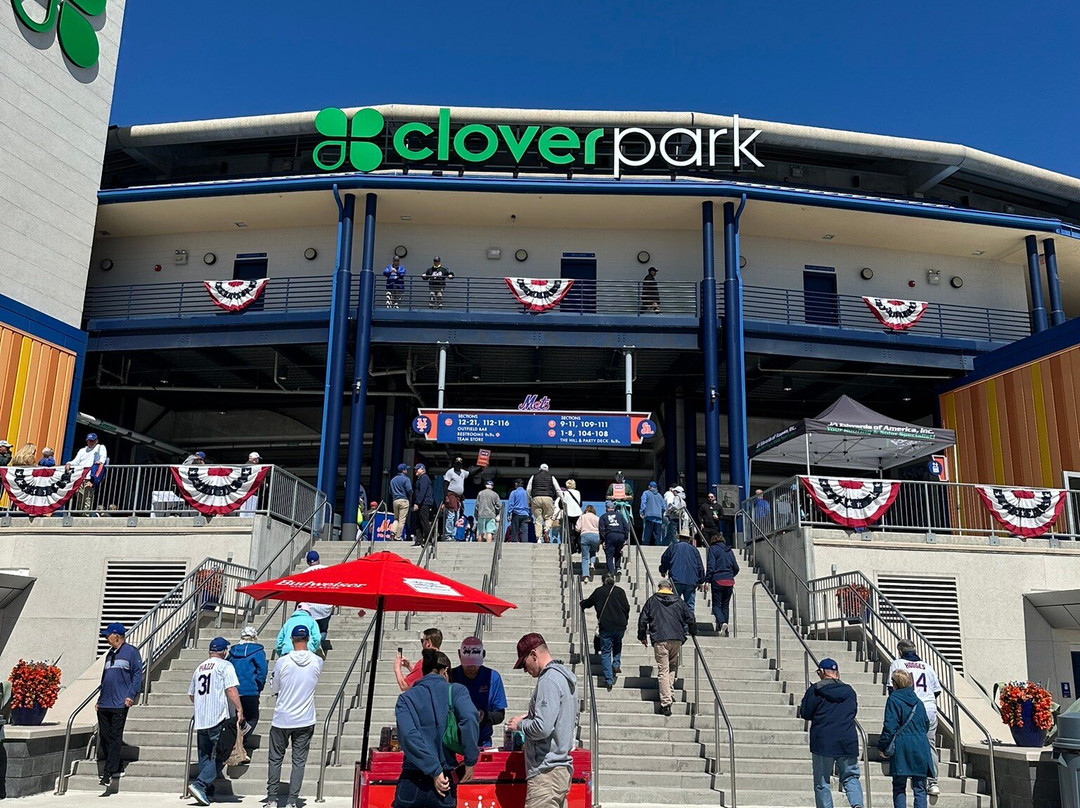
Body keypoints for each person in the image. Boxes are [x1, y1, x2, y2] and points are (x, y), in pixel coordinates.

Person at [394, 649, 479, 808]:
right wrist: (470, 759)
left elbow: (408, 736)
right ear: (445, 671)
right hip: (445, 778)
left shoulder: (405, 698)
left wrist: (433, 770)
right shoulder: (456, 691)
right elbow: (469, 718)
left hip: (412, 780)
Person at [507, 633, 579, 808]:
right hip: (560, 768)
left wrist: (520, 725)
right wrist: (530, 717)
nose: (525, 670)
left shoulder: (548, 680)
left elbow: (543, 728)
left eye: (524, 664)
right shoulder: (564, 677)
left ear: (534, 654)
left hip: (546, 773)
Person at [262, 625, 324, 808]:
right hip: (305, 718)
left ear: (291, 639)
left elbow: (275, 687)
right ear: (308, 640)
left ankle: (272, 799)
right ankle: (292, 801)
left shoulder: (283, 661)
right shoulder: (317, 661)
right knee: (299, 761)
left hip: (282, 717)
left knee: (275, 759)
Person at [798, 658, 864, 808]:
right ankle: (857, 804)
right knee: (851, 777)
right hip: (847, 739)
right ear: (836, 673)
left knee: (822, 782)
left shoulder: (815, 690)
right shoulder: (849, 691)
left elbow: (806, 713)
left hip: (823, 741)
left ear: (821, 672)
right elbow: (853, 711)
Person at [187, 637, 243, 807]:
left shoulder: (199, 668)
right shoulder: (225, 666)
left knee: (205, 755)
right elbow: (231, 689)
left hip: (202, 718)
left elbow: (191, 695)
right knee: (222, 754)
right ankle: (200, 785)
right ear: (224, 651)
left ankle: (207, 792)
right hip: (218, 717)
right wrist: (239, 709)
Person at [888, 640, 942, 796]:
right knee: (929, 745)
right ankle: (933, 782)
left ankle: (909, 775)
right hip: (929, 707)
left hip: (909, 707)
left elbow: (892, 689)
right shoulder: (927, 666)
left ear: (900, 651)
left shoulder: (898, 664)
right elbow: (936, 691)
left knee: (906, 741)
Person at [637, 579, 696, 716]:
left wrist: (642, 636)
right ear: (670, 588)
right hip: (676, 638)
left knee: (663, 670)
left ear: (659, 588)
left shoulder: (652, 601)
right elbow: (690, 617)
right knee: (672, 665)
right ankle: (668, 691)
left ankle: (665, 703)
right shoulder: (679, 601)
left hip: (660, 638)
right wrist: (693, 631)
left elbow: (642, 619)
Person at [96, 622, 144, 787]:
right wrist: (99, 699)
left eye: (107, 635)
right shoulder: (109, 654)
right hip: (104, 703)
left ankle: (108, 773)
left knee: (115, 737)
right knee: (105, 736)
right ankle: (115, 763)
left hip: (119, 703)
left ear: (116, 635)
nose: (105, 638)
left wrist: (131, 695)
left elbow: (138, 674)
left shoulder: (131, 652)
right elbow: (105, 679)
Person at [878, 669, 934, 808]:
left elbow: (890, 726)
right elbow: (926, 724)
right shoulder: (918, 702)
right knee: (920, 787)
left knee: (899, 787)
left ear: (895, 684)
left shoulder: (893, 699)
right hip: (921, 745)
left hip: (902, 746)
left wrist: (882, 746)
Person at [450, 637, 507, 748]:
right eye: (467, 665)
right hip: (455, 741)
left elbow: (500, 714)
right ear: (459, 655)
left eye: (474, 665)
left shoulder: (493, 678)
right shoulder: (452, 676)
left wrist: (484, 716)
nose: (471, 669)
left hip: (482, 742)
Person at [581, 573, 630, 690]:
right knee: (618, 643)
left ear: (603, 580)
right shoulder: (620, 591)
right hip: (620, 625)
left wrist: (582, 603)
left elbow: (588, 603)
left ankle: (609, 679)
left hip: (606, 626)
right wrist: (625, 621)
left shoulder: (599, 591)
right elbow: (627, 607)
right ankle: (616, 663)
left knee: (606, 652)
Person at [227, 626, 267, 742]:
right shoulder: (258, 652)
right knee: (252, 717)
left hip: (234, 690)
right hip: (250, 690)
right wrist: (258, 687)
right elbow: (262, 672)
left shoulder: (233, 652)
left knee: (235, 718)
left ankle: (235, 740)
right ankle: (241, 741)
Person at [660, 530, 705, 611]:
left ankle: (676, 622)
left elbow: (665, 559)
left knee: (674, 605)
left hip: (676, 579)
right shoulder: (694, 550)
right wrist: (701, 581)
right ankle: (688, 623)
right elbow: (700, 566)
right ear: (689, 539)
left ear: (679, 538)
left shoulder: (673, 547)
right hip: (691, 581)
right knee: (689, 606)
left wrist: (663, 570)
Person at [298, 550, 334, 651]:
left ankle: (310, 646)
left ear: (308, 562)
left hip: (310, 607)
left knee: (310, 629)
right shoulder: (328, 570)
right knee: (323, 629)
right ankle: (319, 645)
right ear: (318, 559)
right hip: (326, 606)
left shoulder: (304, 573)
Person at [705, 534, 740, 636]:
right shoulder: (729, 551)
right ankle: (726, 630)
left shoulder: (713, 549)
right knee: (725, 605)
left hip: (717, 580)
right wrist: (730, 575)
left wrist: (707, 580)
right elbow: (736, 567)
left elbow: (711, 566)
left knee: (716, 605)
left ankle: (721, 623)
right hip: (729, 581)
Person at [67, 432, 108, 511]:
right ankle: (81, 514)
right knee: (79, 497)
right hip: (80, 476)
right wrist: (69, 463)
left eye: (92, 440)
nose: (90, 442)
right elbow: (76, 461)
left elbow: (103, 458)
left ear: (96, 441)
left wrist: (99, 462)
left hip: (90, 477)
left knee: (87, 498)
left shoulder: (100, 447)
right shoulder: (82, 450)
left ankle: (86, 515)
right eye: (89, 440)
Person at [526, 463, 560, 542]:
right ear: (547, 470)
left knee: (538, 519)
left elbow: (528, 489)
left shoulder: (533, 476)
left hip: (536, 498)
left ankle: (539, 538)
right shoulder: (551, 477)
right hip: (548, 498)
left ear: (539, 469)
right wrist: (560, 498)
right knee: (548, 517)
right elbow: (558, 489)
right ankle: (547, 529)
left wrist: (529, 501)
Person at [598, 500, 629, 577]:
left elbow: (602, 530)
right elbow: (626, 527)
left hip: (610, 535)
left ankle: (611, 573)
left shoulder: (603, 516)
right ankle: (618, 568)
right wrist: (626, 538)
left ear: (606, 508)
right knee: (618, 552)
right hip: (620, 535)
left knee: (609, 555)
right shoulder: (620, 515)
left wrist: (604, 540)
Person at [443, 456, 467, 541]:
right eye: (457, 464)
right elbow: (445, 484)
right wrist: (446, 497)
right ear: (454, 464)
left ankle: (453, 534)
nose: (458, 466)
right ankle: (448, 535)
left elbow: (471, 473)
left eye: (460, 464)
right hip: (451, 495)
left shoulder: (463, 472)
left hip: (458, 497)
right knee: (451, 515)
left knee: (457, 516)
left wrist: (481, 468)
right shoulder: (450, 472)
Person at [412, 462, 436, 544]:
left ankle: (428, 539)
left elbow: (423, 491)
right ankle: (419, 539)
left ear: (422, 469)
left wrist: (417, 503)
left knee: (424, 521)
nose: (415, 470)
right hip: (421, 503)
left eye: (417, 469)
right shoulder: (420, 478)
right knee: (418, 521)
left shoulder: (424, 478)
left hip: (424, 503)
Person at [389, 463, 413, 542]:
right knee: (402, 520)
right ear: (403, 470)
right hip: (403, 500)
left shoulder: (393, 480)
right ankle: (398, 537)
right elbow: (409, 490)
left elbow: (390, 491)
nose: (407, 470)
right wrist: (412, 493)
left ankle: (392, 531)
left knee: (396, 518)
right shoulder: (406, 479)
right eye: (406, 469)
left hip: (395, 500)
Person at [578, 504, 601, 581]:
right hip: (595, 535)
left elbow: (578, 528)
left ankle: (586, 576)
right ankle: (592, 564)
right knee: (593, 551)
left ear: (586, 510)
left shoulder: (582, 517)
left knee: (584, 557)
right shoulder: (597, 518)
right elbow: (600, 528)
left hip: (585, 535)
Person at [640, 481, 666, 546]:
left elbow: (643, 503)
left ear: (649, 486)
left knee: (647, 534)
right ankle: (658, 547)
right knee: (658, 535)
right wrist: (661, 514)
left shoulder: (646, 493)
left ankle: (645, 547)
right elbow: (664, 507)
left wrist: (642, 512)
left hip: (649, 516)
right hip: (658, 518)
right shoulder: (660, 495)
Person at [560, 479, 583, 549]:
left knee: (569, 530)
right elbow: (580, 503)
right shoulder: (578, 492)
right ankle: (578, 543)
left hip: (569, 513)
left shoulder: (565, 493)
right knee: (578, 529)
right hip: (578, 512)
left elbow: (561, 505)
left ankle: (571, 545)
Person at [508, 478, 531, 543]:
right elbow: (530, 504)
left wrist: (509, 514)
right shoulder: (527, 493)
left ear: (516, 484)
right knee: (524, 531)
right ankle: (524, 543)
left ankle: (515, 542)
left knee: (515, 530)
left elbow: (511, 504)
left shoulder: (514, 492)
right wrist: (530, 514)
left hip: (516, 513)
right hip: (525, 514)